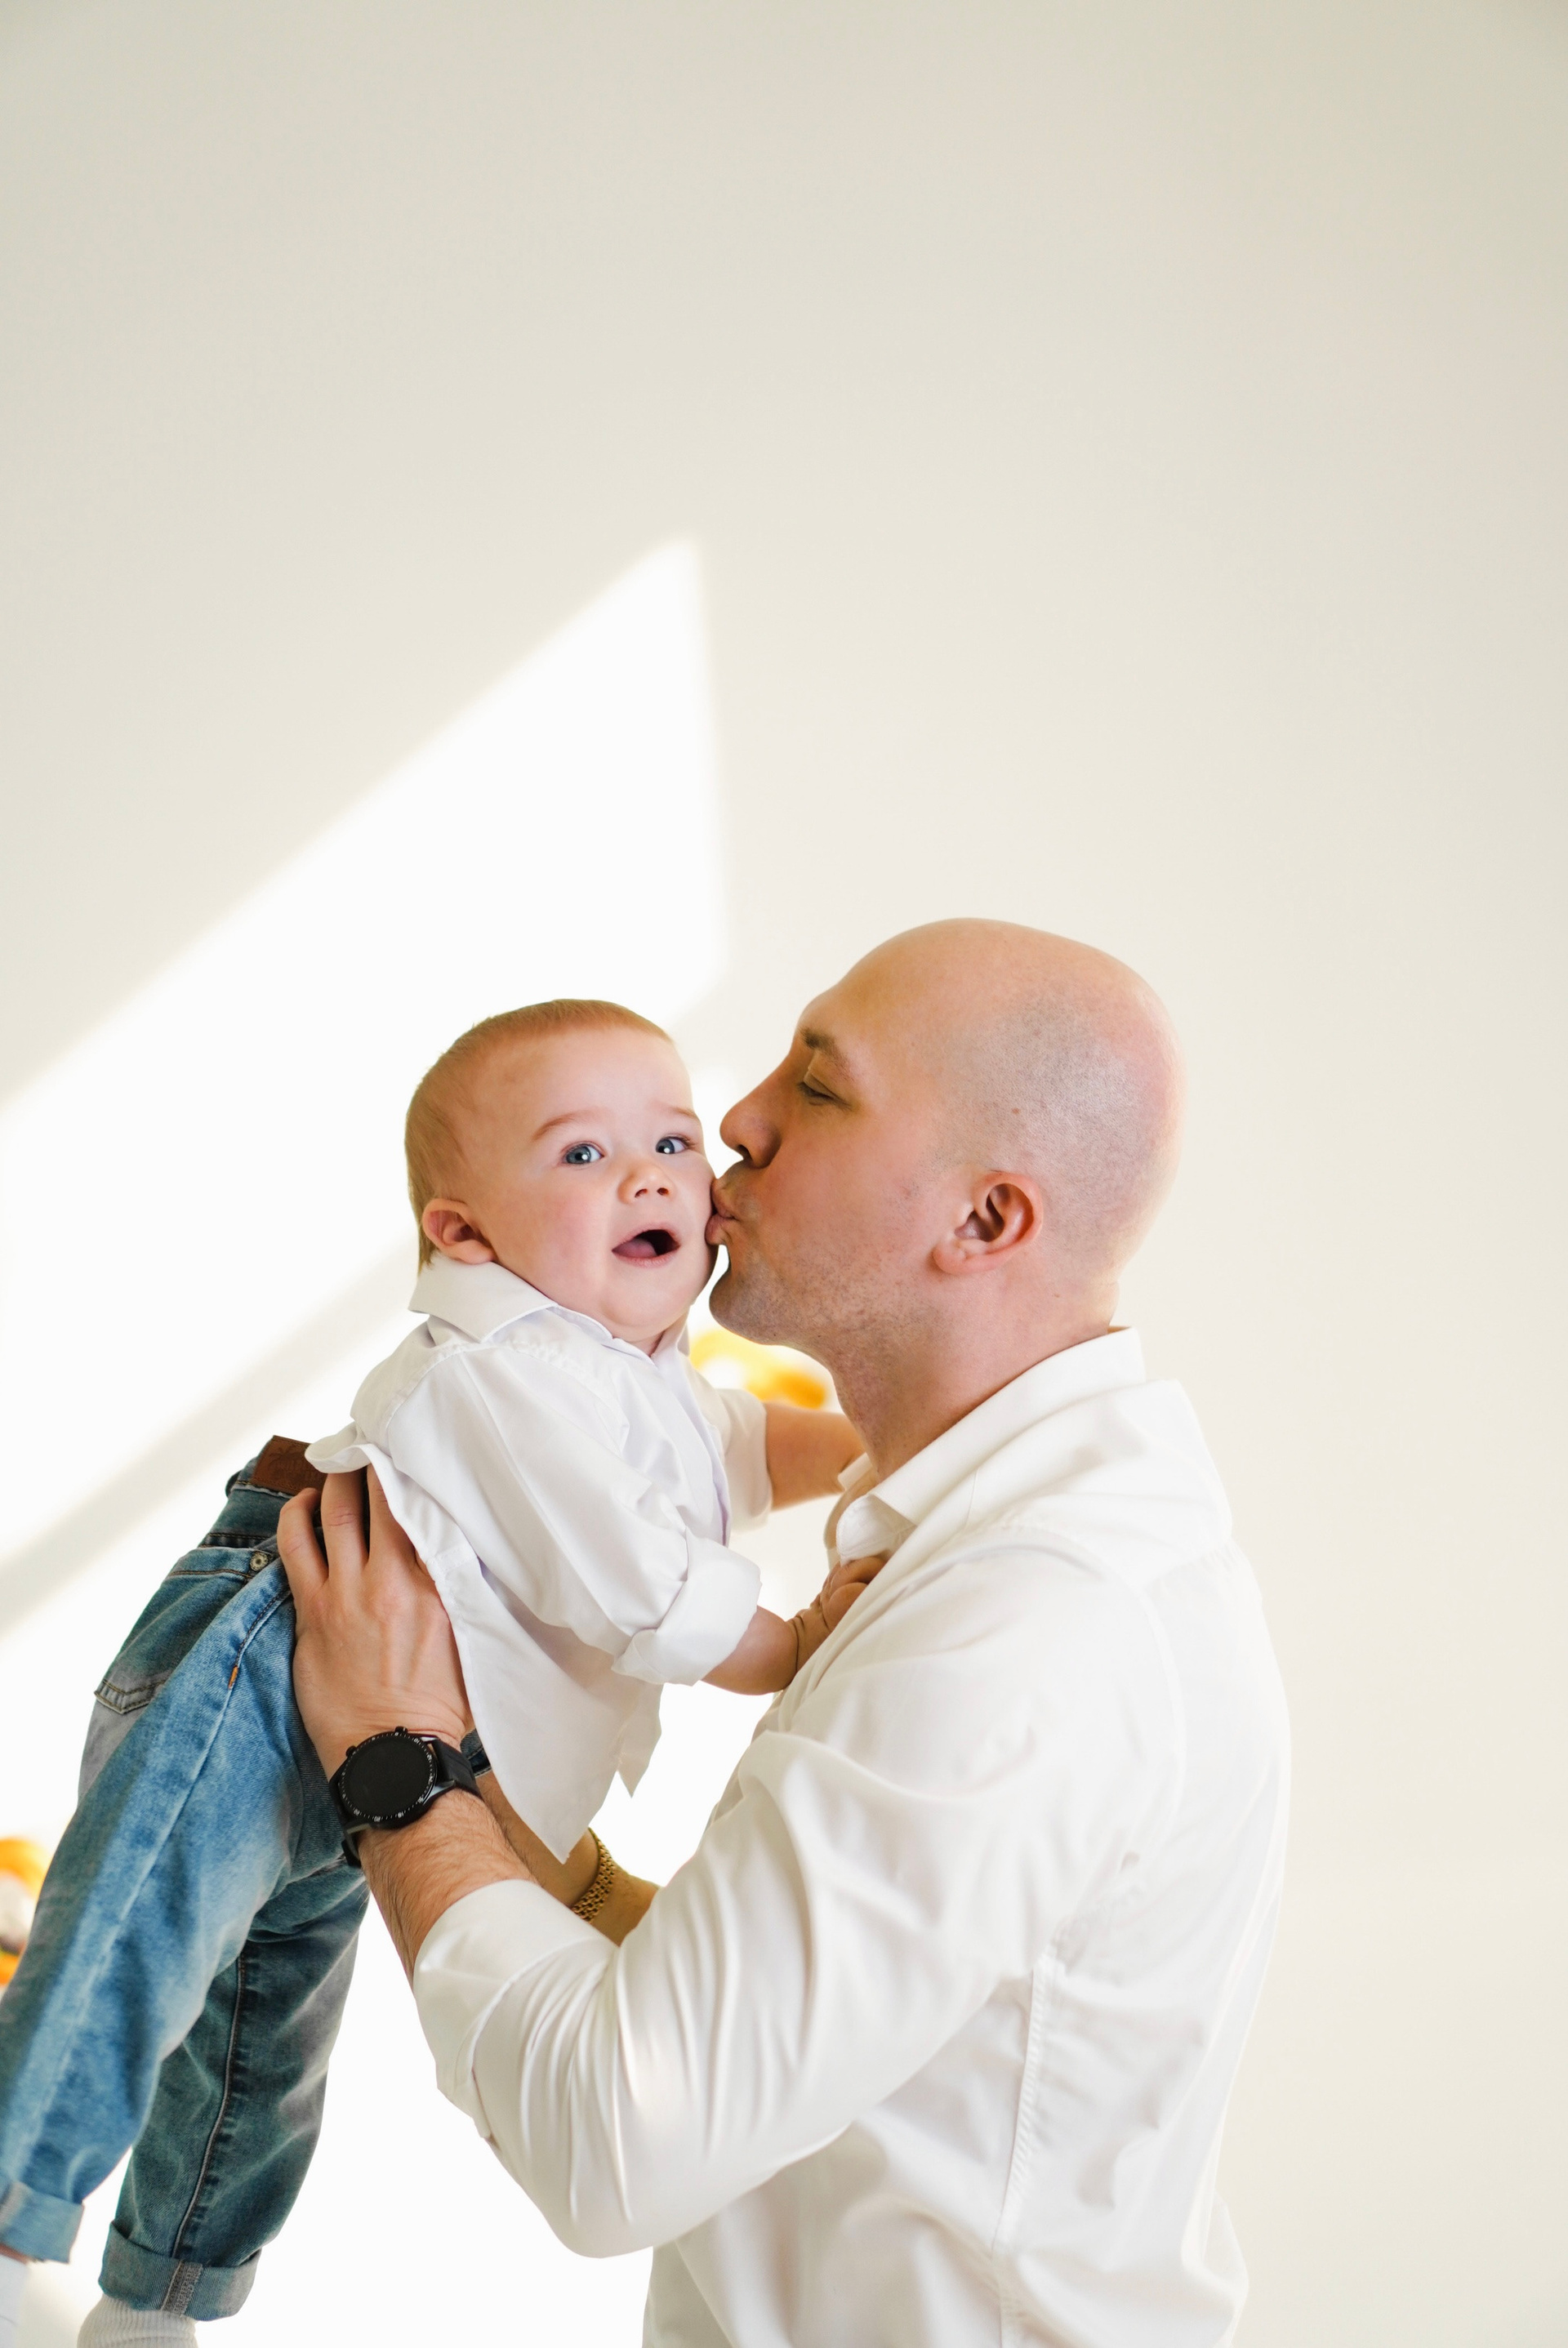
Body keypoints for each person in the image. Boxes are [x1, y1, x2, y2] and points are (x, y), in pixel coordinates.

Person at [279, 918, 1291, 2348]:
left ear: (984, 1223)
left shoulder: (1027, 1630)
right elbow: (795, 2031)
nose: (734, 1123)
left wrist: (395, 1760)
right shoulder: (1009, 1554)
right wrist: (544, 1852)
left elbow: (613, 2138)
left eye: (817, 1086)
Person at [0, 1000, 868, 2348]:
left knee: (266, 2035)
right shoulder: (505, 1370)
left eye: (672, 1141)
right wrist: (805, 1642)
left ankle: (158, 2303)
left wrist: (873, 1442)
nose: (650, 1178)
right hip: (272, 1645)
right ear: (463, 1234)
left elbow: (741, 1449)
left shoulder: (637, 1371)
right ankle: (14, 2204)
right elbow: (647, 1592)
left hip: (381, 1706)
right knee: (134, 1933)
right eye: (582, 1154)